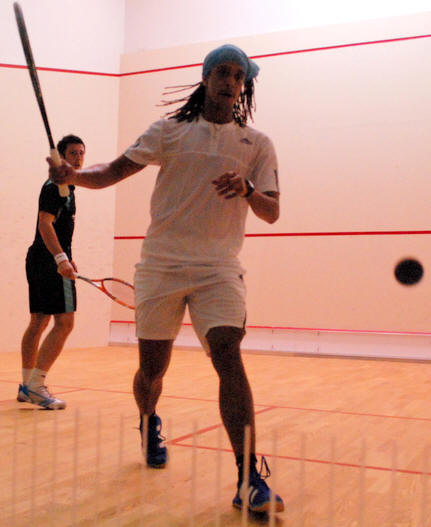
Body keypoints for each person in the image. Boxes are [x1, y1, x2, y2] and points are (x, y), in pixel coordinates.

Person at [48, 44, 284, 513]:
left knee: (228, 355)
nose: (230, 82)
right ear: (205, 77)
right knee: (153, 370)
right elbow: (112, 171)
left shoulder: (257, 144)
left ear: (244, 85)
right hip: (161, 266)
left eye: (238, 76)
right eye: (222, 72)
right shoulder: (169, 131)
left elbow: (272, 211)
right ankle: (149, 418)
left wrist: (247, 189)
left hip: (219, 269)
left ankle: (248, 478)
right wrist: (73, 175)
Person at [19, 134, 85, 410]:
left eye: (81, 153)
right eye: (72, 153)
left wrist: (67, 257)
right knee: (65, 323)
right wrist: (61, 259)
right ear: (60, 156)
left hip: (39, 259)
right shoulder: (54, 187)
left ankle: (27, 386)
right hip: (48, 262)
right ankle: (36, 386)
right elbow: (44, 224)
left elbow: (56, 229)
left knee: (38, 322)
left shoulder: (66, 187)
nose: (78, 158)